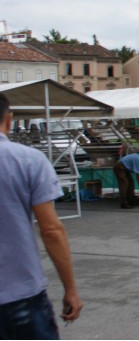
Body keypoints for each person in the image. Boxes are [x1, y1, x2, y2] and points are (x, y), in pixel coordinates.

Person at [0, 92, 84, 338]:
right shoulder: (28, 160)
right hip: (19, 292)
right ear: (9, 119)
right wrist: (70, 288)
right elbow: (51, 230)